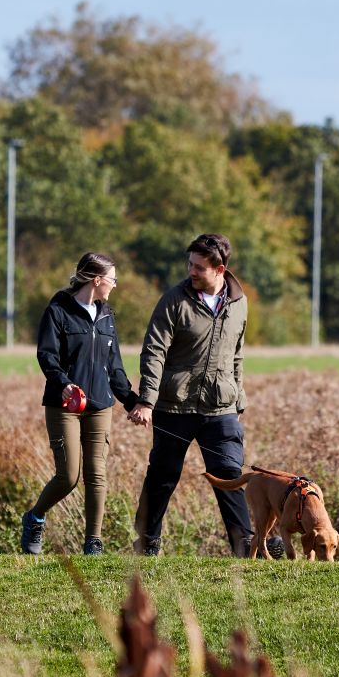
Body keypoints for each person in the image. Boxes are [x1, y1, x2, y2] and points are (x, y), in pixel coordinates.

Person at [129, 233, 280, 557]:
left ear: (220, 268)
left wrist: (238, 398)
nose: (191, 272)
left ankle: (245, 544)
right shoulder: (174, 300)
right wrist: (147, 399)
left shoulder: (239, 304)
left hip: (220, 407)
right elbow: (154, 350)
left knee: (229, 474)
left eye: (199, 267)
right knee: (163, 476)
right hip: (175, 405)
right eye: (190, 264)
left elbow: (236, 354)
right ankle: (147, 542)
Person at [20, 252, 140, 555]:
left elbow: (115, 368)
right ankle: (35, 518)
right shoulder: (58, 311)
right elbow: (47, 355)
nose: (115, 285)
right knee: (69, 476)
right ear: (97, 280)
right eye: (112, 279)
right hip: (65, 406)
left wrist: (132, 403)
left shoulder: (107, 315)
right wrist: (63, 384)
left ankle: (93, 542)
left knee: (97, 474)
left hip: (100, 405)